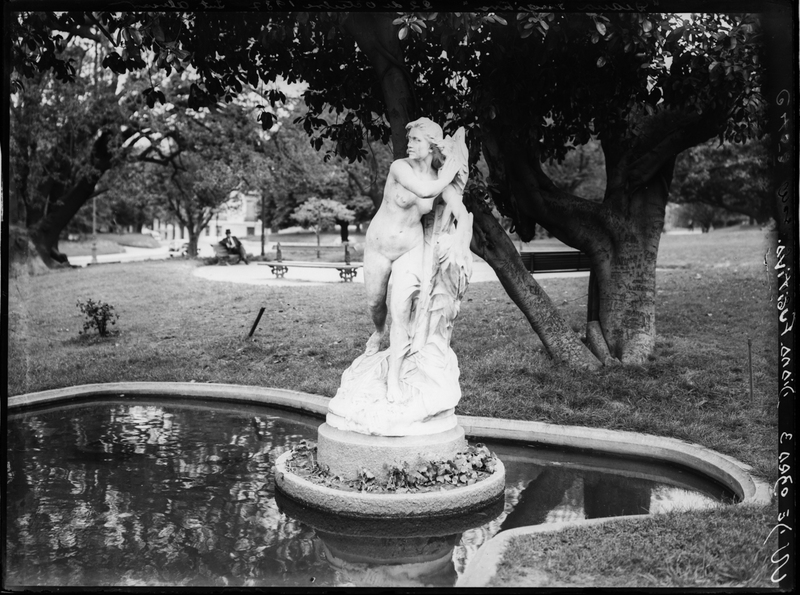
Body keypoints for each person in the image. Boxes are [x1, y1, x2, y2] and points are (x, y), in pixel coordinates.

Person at [364, 117, 469, 402]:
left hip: (410, 248)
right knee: (376, 304)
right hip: (379, 246)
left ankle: (394, 379)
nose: (409, 144)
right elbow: (423, 192)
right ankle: (378, 331)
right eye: (409, 139)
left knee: (401, 309)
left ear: (431, 145)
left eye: (416, 140)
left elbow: (459, 210)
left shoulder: (439, 179)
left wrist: (459, 236)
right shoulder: (399, 167)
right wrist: (450, 172)